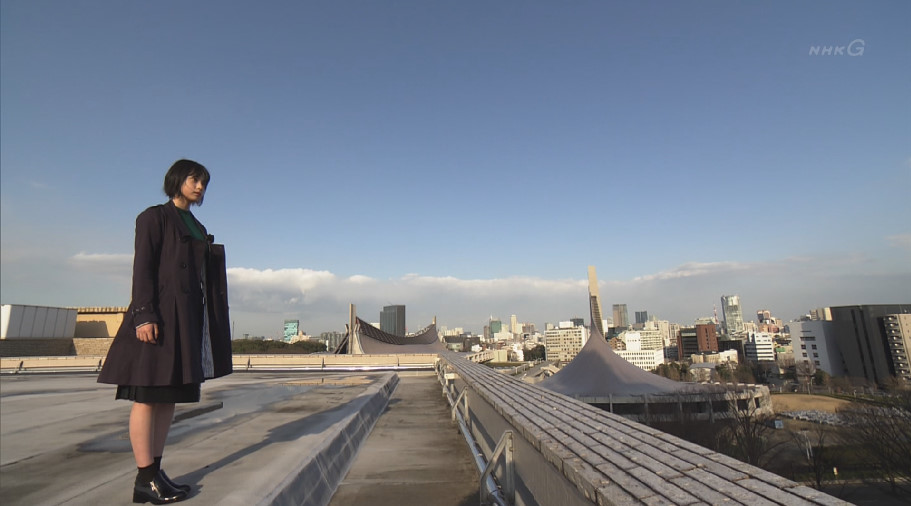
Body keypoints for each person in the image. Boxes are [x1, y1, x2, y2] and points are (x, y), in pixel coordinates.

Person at [98, 159, 233, 504]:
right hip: (159, 316)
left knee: (168, 397)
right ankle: (145, 476)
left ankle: (155, 472)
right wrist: (144, 316)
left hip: (186, 319)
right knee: (147, 397)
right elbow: (142, 268)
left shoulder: (197, 225)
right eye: (194, 180)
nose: (200, 187)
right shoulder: (154, 217)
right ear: (177, 180)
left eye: (204, 183)